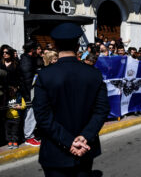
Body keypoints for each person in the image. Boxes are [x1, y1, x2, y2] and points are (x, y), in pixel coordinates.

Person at [33, 23, 110, 176]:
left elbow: (42, 116)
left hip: (55, 151)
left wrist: (69, 141)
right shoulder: (93, 74)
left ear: (55, 45)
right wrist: (84, 137)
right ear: (77, 45)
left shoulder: (45, 75)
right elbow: (101, 110)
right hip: (85, 149)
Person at [20, 41, 40, 146]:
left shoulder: (28, 59)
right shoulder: (26, 61)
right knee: (30, 114)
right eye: (37, 48)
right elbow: (28, 80)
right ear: (32, 50)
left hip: (30, 91)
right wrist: (28, 96)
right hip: (29, 92)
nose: (39, 50)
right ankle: (29, 137)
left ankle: (29, 135)